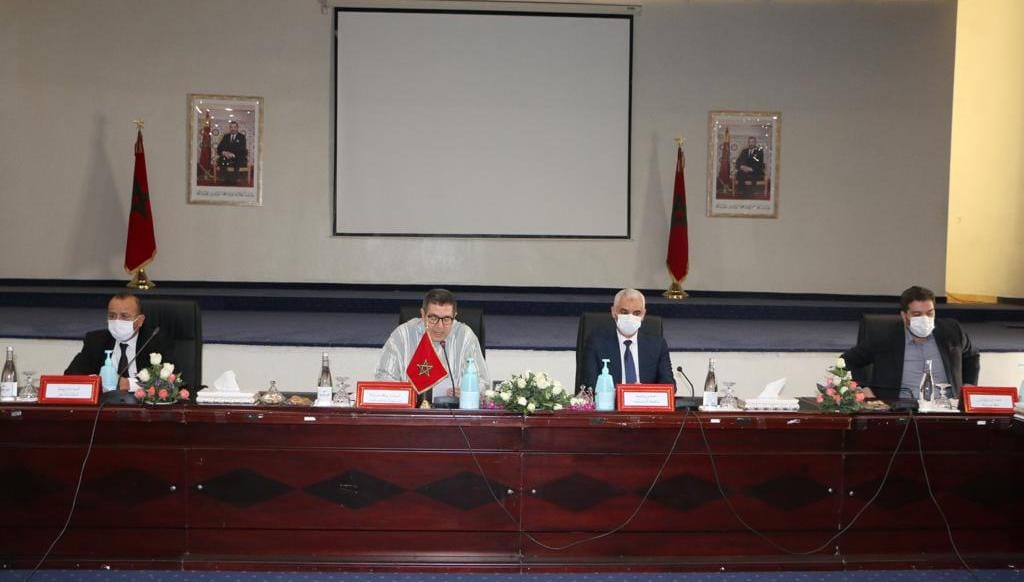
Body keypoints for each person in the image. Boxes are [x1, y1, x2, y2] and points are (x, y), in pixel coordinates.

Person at [842, 285, 979, 401]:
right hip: (901, 411)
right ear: (904, 315)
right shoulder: (884, 337)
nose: (925, 319)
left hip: (946, 409)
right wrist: (862, 388)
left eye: (929, 313)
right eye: (917, 314)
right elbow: (846, 361)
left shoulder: (951, 331)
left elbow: (971, 356)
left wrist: (969, 385)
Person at [375, 288, 488, 404]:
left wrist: (468, 392)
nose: (439, 326)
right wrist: (406, 393)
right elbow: (383, 377)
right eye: (433, 318)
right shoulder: (403, 335)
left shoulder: (465, 336)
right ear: (423, 314)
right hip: (410, 410)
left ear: (454, 316)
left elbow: (482, 382)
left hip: (454, 410)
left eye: (446, 319)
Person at [65, 293, 175, 392]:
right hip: (105, 404)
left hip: (142, 405)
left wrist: (129, 384)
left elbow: (172, 380)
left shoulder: (155, 340)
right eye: (112, 316)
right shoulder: (96, 340)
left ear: (140, 321)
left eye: (125, 316)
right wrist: (95, 381)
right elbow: (70, 375)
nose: (117, 321)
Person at [580, 288, 674, 391]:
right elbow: (590, 386)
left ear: (643, 314)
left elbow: (669, 386)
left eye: (636, 313)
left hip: (645, 400)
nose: (630, 317)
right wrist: (621, 394)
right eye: (624, 312)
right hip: (611, 400)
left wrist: (644, 392)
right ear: (613, 312)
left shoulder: (657, 345)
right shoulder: (596, 343)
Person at [216, 121, 248, 185]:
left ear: (237, 128)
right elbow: (219, 148)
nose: (233, 129)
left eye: (234, 127)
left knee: (238, 160)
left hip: (237, 157)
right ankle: (224, 179)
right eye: (231, 127)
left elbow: (242, 149)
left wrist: (232, 154)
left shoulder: (242, 137)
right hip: (226, 157)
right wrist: (224, 152)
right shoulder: (226, 136)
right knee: (222, 159)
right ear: (229, 128)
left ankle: (234, 180)